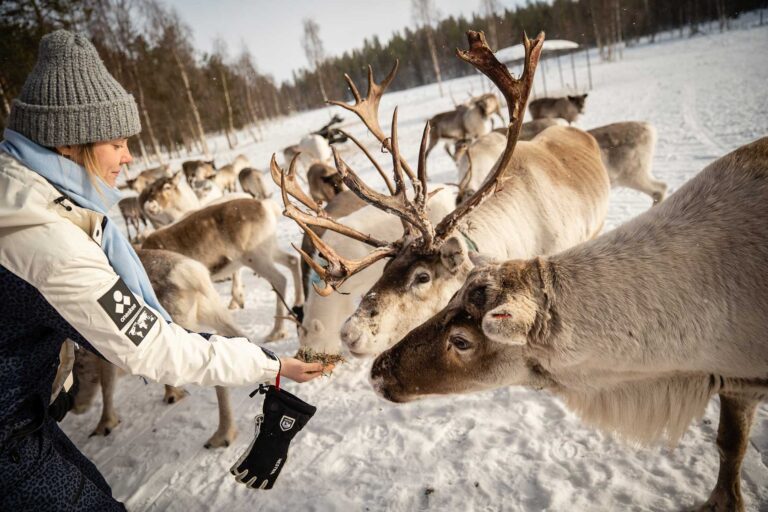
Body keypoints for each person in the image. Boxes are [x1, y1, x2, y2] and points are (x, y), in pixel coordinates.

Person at [0, 30, 328, 511]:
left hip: (25, 414)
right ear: (69, 146)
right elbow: (152, 348)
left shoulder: (28, 197)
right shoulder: (46, 238)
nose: (130, 156)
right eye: (117, 143)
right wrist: (271, 364)